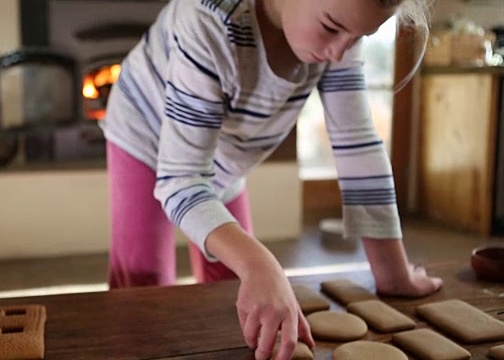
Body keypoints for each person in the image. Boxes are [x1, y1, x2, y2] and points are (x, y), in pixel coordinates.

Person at [99, 0, 442, 359]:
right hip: (144, 135)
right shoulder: (210, 21)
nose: (340, 51)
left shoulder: (339, 37)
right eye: (331, 27)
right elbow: (181, 179)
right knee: (143, 290)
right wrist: (259, 263)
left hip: (222, 151)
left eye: (359, 37)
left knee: (237, 291)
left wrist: (393, 272)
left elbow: (359, 151)